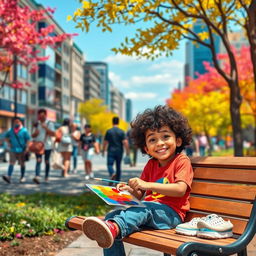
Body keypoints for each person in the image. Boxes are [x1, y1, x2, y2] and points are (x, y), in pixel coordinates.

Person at [82, 105, 194, 256]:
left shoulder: (181, 161)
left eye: (165, 137)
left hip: (172, 215)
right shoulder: (151, 164)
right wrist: (129, 190)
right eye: (153, 139)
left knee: (142, 210)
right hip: (150, 211)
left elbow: (180, 190)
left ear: (178, 140)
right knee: (111, 217)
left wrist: (146, 185)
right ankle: (113, 229)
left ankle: (114, 227)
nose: (160, 143)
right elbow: (140, 194)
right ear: (146, 148)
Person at [2, 117, 30, 184]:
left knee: (22, 164)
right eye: (15, 122)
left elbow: (28, 140)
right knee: (11, 163)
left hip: (22, 149)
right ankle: (8, 177)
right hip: (13, 149)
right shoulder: (11, 130)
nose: (16, 123)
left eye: (18, 122)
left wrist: (27, 148)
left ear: (21, 122)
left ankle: (22, 177)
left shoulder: (24, 130)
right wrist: (8, 143)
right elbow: (5, 137)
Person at [102, 116, 129, 182]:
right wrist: (127, 151)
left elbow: (105, 142)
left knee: (109, 164)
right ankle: (117, 182)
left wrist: (103, 150)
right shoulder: (121, 132)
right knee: (118, 166)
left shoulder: (109, 131)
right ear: (118, 122)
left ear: (112, 122)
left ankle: (112, 173)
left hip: (110, 150)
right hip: (119, 151)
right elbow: (125, 142)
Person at [31, 108, 55, 184]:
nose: (41, 117)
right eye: (40, 116)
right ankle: (37, 176)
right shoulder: (36, 124)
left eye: (43, 116)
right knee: (38, 160)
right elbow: (32, 135)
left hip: (47, 145)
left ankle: (46, 177)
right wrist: (36, 133)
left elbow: (53, 134)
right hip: (38, 145)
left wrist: (45, 128)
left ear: (45, 115)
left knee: (47, 161)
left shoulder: (50, 123)